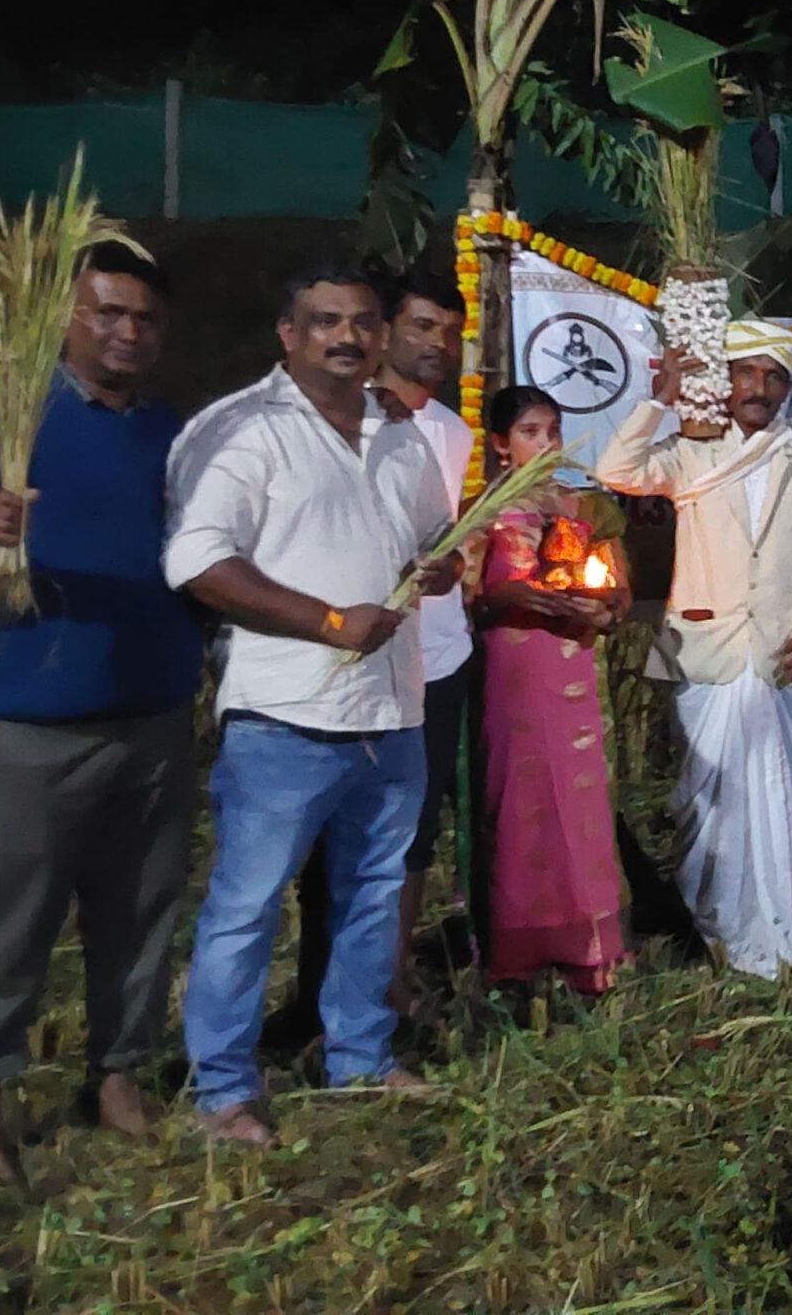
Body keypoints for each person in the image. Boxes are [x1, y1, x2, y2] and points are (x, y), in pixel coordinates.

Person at [0, 244, 204, 1178]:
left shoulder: (175, 436)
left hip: (152, 716)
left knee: (141, 912)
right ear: (64, 319)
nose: (127, 331)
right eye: (107, 312)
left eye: (145, 317)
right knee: (9, 918)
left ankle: (118, 1075)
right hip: (26, 720)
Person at [162, 266, 459, 1146]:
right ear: (288, 335)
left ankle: (359, 1057)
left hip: (391, 712)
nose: (347, 337)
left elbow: (433, 541)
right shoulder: (244, 430)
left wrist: (442, 564)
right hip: (284, 713)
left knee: (373, 895)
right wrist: (329, 622)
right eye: (325, 321)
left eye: (362, 323)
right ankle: (222, 1087)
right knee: (248, 904)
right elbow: (199, 563)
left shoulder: (399, 435)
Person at [597, 319, 792, 979]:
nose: (758, 387)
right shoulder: (691, 451)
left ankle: (780, 932)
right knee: (708, 802)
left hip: (786, 660)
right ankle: (707, 930)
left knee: (789, 802)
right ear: (725, 382)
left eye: (773, 376)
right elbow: (614, 469)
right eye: (746, 373)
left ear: (788, 388)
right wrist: (660, 399)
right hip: (709, 651)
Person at [272, 270, 473, 1048]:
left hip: (434, 662)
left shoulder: (449, 433)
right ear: (386, 334)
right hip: (344, 660)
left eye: (450, 332)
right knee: (325, 842)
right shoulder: (338, 419)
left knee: (408, 839)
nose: (437, 345)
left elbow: (442, 543)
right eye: (421, 327)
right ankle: (313, 1003)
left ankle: (387, 992)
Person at [463, 386, 629, 996]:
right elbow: (469, 595)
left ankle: (592, 951)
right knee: (521, 798)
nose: (547, 443)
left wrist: (605, 610)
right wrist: (522, 596)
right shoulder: (483, 510)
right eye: (531, 432)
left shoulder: (585, 506)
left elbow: (617, 589)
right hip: (515, 666)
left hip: (577, 664)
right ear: (501, 444)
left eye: (553, 431)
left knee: (583, 802)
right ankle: (517, 952)